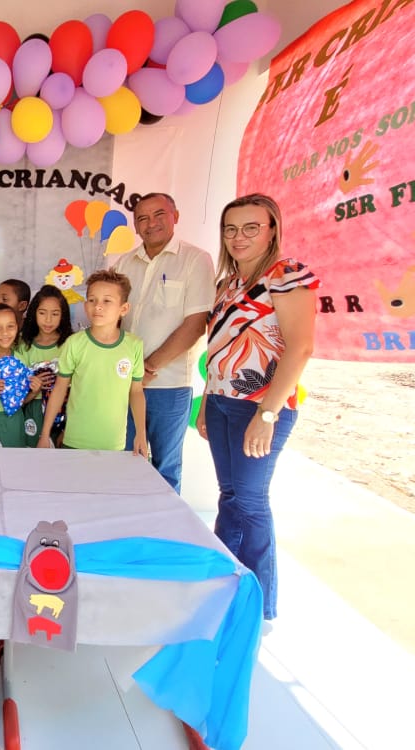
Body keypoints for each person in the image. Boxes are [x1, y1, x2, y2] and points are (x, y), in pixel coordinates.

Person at [196, 193, 318, 622]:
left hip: (261, 407)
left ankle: (260, 604)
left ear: (272, 230)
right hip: (221, 402)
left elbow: (300, 348)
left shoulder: (286, 275)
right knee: (230, 495)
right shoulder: (227, 285)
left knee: (250, 501)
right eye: (231, 229)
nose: (239, 237)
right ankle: (227, 585)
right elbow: (219, 349)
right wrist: (207, 401)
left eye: (251, 227)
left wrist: (267, 414)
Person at [114, 193, 215, 493]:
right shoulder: (123, 263)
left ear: (175, 216)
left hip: (168, 386)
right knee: (123, 462)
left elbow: (196, 324)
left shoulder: (195, 260)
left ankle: (164, 523)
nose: (151, 223)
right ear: (135, 225)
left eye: (159, 214)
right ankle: (128, 520)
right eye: (142, 218)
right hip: (124, 383)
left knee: (165, 469)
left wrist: (149, 367)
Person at [38, 270, 148, 456]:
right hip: (74, 440)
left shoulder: (134, 345)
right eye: (92, 300)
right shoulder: (74, 343)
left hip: (114, 444)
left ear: (123, 309)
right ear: (85, 304)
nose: (98, 306)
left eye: (107, 301)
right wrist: (45, 434)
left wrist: (141, 434)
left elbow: (136, 392)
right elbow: (59, 389)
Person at [20, 285, 73, 447]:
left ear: (63, 315)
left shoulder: (70, 344)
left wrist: (68, 428)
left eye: (55, 314)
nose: (48, 320)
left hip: (66, 412)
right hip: (33, 413)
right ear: (33, 313)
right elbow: (19, 398)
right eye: (42, 313)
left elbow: (79, 389)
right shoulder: (24, 347)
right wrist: (34, 389)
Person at [0, 303, 33, 448]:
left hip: (14, 421)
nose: (5, 333)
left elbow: (22, 400)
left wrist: (34, 391)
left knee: (13, 459)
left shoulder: (20, 360)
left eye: (10, 326)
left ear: (17, 327)